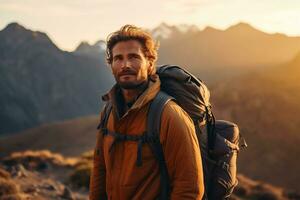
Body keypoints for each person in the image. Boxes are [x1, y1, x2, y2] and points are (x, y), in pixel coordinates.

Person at [89, 25, 204, 200]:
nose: (125, 65)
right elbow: (100, 168)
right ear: (111, 65)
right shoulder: (108, 111)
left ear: (150, 62)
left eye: (134, 57)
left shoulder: (169, 115)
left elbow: (189, 188)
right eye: (118, 58)